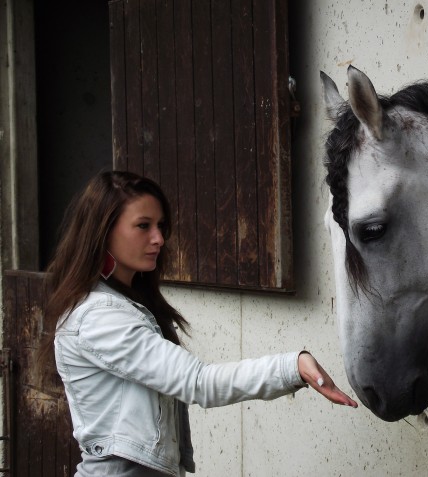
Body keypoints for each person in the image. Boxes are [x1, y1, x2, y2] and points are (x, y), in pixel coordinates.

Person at [40, 170, 357, 477]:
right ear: (104, 232)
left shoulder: (126, 302)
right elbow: (200, 383)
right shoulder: (100, 317)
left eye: (161, 226)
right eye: (143, 226)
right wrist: (293, 367)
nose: (159, 238)